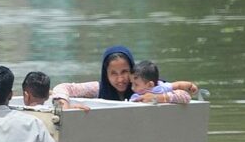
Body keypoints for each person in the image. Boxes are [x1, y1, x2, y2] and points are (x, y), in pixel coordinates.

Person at [52, 45, 194, 105]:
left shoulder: (150, 86)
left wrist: (157, 98)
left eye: (125, 72)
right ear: (105, 74)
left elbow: (185, 96)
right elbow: (63, 88)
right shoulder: (99, 89)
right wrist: (64, 104)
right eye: (113, 74)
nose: (120, 79)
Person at [129, 60, 198, 102]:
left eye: (136, 84)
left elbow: (177, 85)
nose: (132, 88)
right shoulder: (136, 96)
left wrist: (190, 85)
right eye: (132, 84)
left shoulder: (162, 87)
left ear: (150, 85)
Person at [22, 71, 90, 111]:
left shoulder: (24, 113)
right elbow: (63, 110)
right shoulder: (53, 110)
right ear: (48, 96)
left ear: (26, 96)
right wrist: (74, 107)